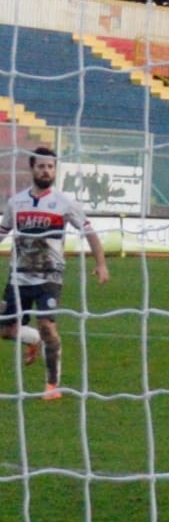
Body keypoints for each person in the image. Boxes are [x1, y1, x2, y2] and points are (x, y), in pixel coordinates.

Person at [0, 146, 111, 399]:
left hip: (50, 276)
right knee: (6, 331)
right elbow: (3, 231)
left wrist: (101, 263)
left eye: (50, 167)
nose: (46, 171)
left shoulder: (64, 203)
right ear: (32, 168)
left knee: (47, 326)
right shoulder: (16, 202)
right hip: (18, 276)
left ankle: (52, 386)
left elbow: (89, 232)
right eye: (41, 166)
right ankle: (33, 340)